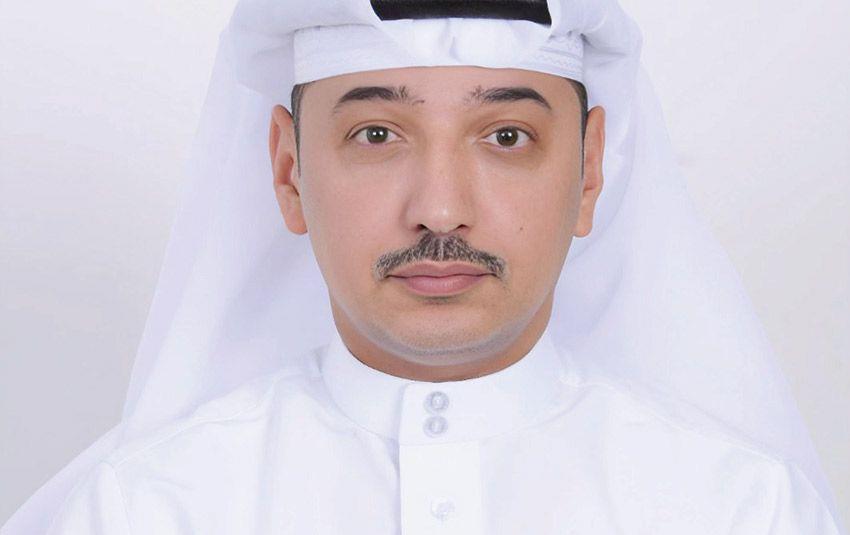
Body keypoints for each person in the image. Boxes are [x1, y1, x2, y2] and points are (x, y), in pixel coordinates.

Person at [3, 0, 845, 533]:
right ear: (289, 171)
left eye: (506, 136)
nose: (440, 210)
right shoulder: (140, 509)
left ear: (589, 170)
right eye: (377, 135)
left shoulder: (745, 509)